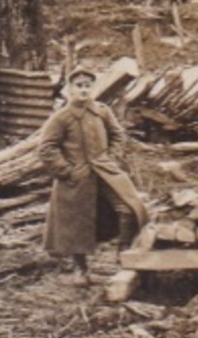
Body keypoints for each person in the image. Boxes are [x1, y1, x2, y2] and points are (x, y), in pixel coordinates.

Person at [37, 68, 148, 285]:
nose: (84, 90)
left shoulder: (102, 111)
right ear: (70, 89)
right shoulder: (61, 117)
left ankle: (123, 256)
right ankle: (81, 270)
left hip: (106, 171)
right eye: (79, 85)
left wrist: (112, 157)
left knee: (129, 207)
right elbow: (46, 149)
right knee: (76, 224)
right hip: (76, 178)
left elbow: (118, 135)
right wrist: (68, 171)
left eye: (88, 85)